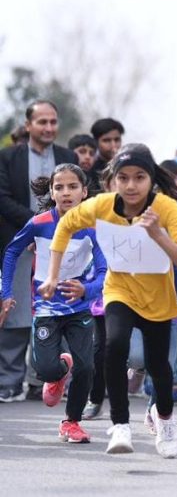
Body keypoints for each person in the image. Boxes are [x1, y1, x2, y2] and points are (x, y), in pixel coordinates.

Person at [42, 144, 177, 457]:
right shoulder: (101, 205)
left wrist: (158, 236)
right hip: (120, 291)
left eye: (139, 177)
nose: (130, 185)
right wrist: (52, 276)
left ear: (150, 180)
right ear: (112, 180)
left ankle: (164, 420)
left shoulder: (166, 208)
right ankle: (121, 425)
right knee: (114, 346)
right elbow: (65, 226)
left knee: (159, 367)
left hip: (158, 299)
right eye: (123, 178)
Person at [0, 164, 106, 443]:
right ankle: (59, 372)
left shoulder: (93, 227)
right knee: (44, 369)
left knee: (87, 367)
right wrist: (6, 292)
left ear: (84, 192)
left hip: (79, 307)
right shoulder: (40, 223)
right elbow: (11, 251)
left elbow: (107, 270)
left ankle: (72, 422)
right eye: (59, 187)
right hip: (46, 307)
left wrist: (88, 288)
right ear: (51, 191)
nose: (66, 192)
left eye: (73, 187)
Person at [0, 99, 77, 402]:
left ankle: (41, 379)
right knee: (16, 313)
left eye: (53, 122)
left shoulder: (67, 156)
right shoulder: (9, 157)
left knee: (54, 310)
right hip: (20, 242)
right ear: (28, 125)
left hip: (61, 245)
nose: (48, 128)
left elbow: (78, 197)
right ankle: (9, 380)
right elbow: (3, 198)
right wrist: (35, 226)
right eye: (42, 122)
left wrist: (56, 230)